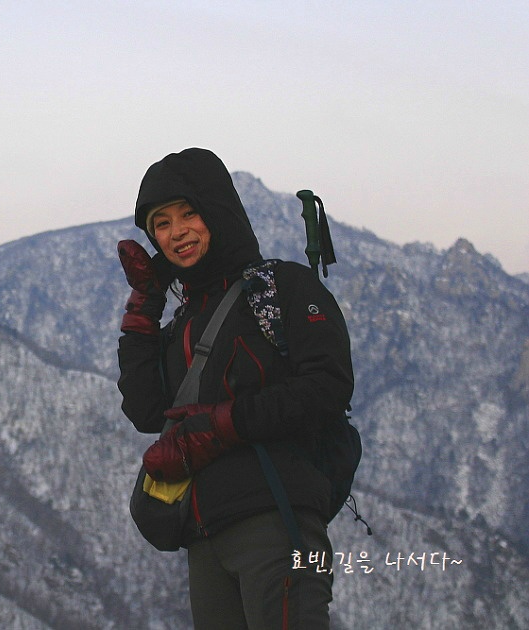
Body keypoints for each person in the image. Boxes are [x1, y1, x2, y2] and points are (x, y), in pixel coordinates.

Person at [117, 148, 353, 629]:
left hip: (277, 519)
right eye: (161, 223)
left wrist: (224, 425)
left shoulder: (281, 287)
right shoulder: (185, 321)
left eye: (188, 213)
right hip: (204, 534)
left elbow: (328, 386)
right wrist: (144, 305)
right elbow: (145, 409)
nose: (176, 232)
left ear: (217, 210)